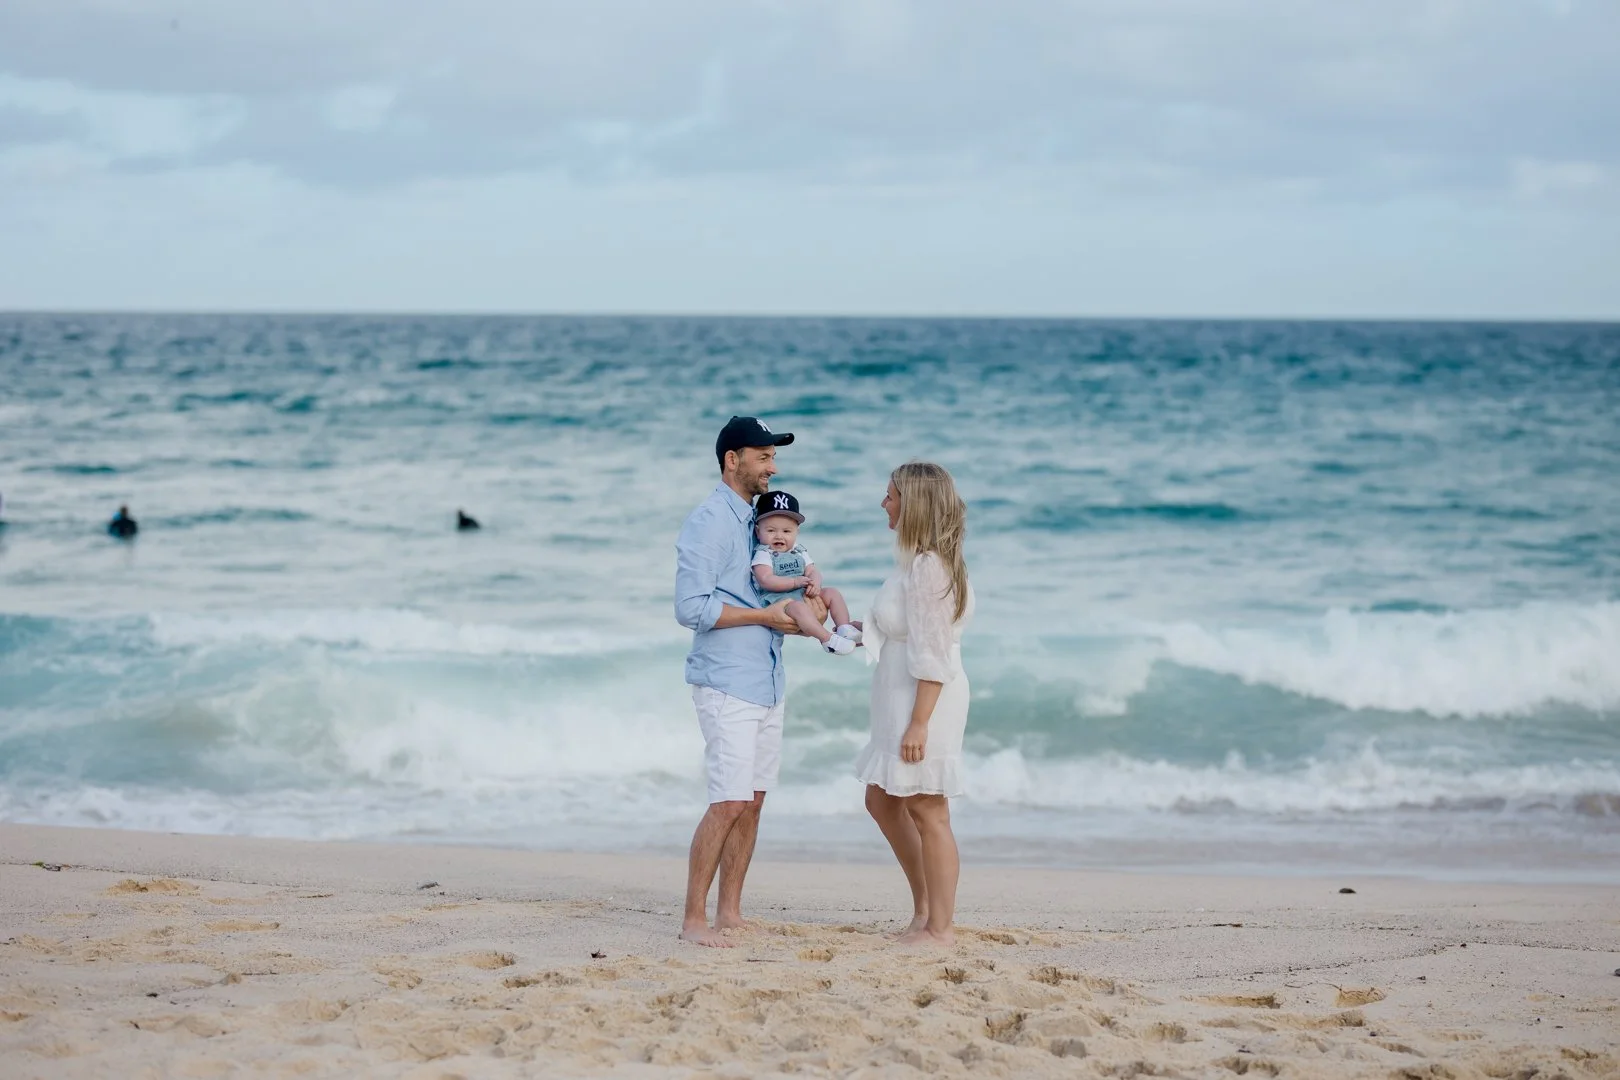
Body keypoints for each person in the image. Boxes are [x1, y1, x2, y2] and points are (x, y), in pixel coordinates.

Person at [673, 416, 827, 948]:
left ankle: (730, 912)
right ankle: (695, 921)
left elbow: (764, 594)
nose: (772, 466)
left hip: (767, 678)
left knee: (754, 799)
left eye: (773, 457)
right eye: (763, 456)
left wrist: (804, 611)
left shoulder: (759, 523)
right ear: (731, 461)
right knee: (729, 800)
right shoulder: (709, 521)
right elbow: (690, 608)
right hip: (725, 681)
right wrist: (764, 618)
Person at [853, 461, 975, 947]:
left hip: (924, 699)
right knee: (882, 799)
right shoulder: (917, 562)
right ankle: (924, 910)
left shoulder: (928, 569)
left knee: (928, 809)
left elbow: (934, 654)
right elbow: (901, 633)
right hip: (899, 693)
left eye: (891, 495)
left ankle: (939, 928)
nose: (884, 503)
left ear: (914, 504)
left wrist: (919, 724)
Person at [750, 489, 862, 655]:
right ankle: (827, 639)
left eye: (786, 531)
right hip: (780, 601)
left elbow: (812, 571)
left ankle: (844, 627)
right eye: (771, 531)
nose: (779, 536)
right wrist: (795, 582)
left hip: (802, 592)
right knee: (798, 609)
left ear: (797, 532)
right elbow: (765, 579)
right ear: (758, 532)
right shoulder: (763, 554)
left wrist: (815, 583)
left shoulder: (798, 551)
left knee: (832, 593)